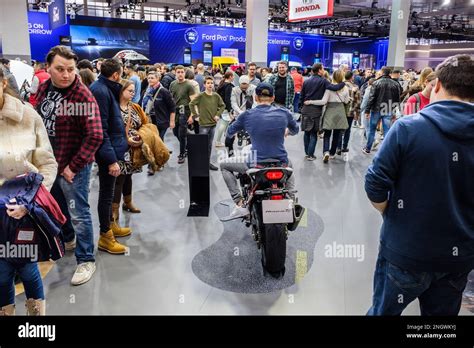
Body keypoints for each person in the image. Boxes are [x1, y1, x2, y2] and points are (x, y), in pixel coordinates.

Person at [365, 54, 474, 316]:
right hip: (458, 257)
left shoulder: (408, 128)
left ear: (436, 85)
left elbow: (375, 183)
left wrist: (389, 211)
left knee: (383, 312)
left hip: (405, 251)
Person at [35, 45, 103, 286]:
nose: (66, 74)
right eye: (60, 69)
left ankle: (86, 260)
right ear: (48, 69)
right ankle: (68, 239)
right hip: (49, 165)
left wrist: (73, 167)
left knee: (79, 214)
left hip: (73, 167)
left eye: (71, 70)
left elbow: (95, 135)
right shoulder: (44, 88)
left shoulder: (82, 95)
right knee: (57, 208)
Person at [0, 68, 57, 316]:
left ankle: (36, 324)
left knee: (27, 267)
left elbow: (47, 163)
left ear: (3, 83)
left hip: (24, 209)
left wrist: (30, 201)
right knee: (1, 273)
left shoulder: (27, 116)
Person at [220, 82, 299, 219]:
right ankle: (291, 200)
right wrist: (286, 130)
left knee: (224, 165)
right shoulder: (284, 113)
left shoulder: (246, 115)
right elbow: (295, 129)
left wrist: (237, 125)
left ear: (256, 98)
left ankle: (239, 202)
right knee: (289, 167)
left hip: (256, 162)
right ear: (273, 98)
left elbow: (229, 132)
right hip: (280, 161)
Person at [90, 58, 129, 255]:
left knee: (110, 192)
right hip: (108, 153)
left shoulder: (105, 88)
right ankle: (105, 236)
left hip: (112, 149)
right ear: (115, 75)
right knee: (106, 195)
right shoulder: (100, 91)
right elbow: (101, 130)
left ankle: (110, 226)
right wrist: (111, 159)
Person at [112, 79, 147, 233]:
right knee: (119, 178)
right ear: (121, 91)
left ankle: (128, 202)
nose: (132, 93)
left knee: (129, 176)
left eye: (133, 91)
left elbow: (145, 124)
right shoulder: (114, 108)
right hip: (120, 148)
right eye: (129, 91)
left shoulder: (135, 107)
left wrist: (140, 136)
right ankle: (114, 211)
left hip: (134, 149)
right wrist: (126, 139)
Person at [300, 63, 345, 161]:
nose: (324, 70)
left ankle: (307, 152)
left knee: (306, 132)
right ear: (319, 70)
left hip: (305, 109)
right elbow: (334, 88)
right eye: (323, 68)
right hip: (316, 110)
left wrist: (301, 108)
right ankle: (310, 155)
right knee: (313, 133)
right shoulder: (323, 81)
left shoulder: (306, 81)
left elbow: (301, 96)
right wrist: (343, 83)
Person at [362, 67, 402, 154]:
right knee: (387, 130)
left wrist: (367, 111)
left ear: (382, 72)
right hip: (388, 109)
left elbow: (371, 98)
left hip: (376, 109)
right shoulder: (395, 84)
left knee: (372, 129)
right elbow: (397, 99)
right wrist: (395, 111)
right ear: (390, 73)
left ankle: (368, 148)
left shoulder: (376, 83)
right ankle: (386, 151)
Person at [189, 76, 226, 171]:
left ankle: (207, 163)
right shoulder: (201, 96)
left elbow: (222, 106)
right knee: (202, 145)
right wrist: (195, 116)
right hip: (203, 125)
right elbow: (191, 104)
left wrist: (218, 114)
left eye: (211, 83)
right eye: (208, 83)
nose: (210, 84)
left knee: (209, 145)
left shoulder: (216, 96)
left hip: (213, 125)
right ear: (204, 85)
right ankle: (201, 163)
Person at [142, 71, 176, 165]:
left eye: (152, 78)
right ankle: (162, 154)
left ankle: (157, 163)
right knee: (155, 142)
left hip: (162, 121)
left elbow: (172, 107)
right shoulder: (147, 91)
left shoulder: (163, 91)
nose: (150, 80)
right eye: (148, 78)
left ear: (158, 79)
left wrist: (172, 121)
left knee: (157, 141)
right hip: (150, 121)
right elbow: (144, 105)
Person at [170, 65, 196, 164]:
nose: (180, 74)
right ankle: (188, 145)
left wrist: (192, 116)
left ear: (184, 73)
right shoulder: (172, 84)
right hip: (175, 111)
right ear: (175, 73)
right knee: (175, 132)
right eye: (178, 72)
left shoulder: (189, 85)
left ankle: (182, 154)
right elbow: (171, 99)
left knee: (182, 134)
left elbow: (193, 102)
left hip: (185, 111)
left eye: (182, 72)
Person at [227, 75, 256, 156]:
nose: (244, 87)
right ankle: (230, 153)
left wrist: (250, 112)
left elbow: (256, 102)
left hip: (250, 116)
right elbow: (233, 102)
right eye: (242, 85)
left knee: (253, 137)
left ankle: (251, 155)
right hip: (238, 115)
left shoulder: (254, 88)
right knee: (228, 137)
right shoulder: (234, 90)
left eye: (245, 85)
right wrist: (240, 112)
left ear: (249, 84)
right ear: (239, 84)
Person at [337, 70, 361, 155]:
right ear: (352, 77)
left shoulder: (340, 86)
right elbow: (358, 102)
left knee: (339, 129)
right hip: (350, 112)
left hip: (340, 111)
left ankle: (338, 147)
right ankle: (344, 147)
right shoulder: (355, 87)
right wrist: (357, 113)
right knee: (347, 130)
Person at [215, 71, 234, 147]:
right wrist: (229, 110)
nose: (233, 78)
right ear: (230, 77)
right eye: (232, 76)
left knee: (223, 124)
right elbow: (227, 99)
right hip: (225, 107)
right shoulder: (228, 86)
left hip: (220, 106)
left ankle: (219, 140)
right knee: (223, 124)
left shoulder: (222, 84)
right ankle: (218, 141)